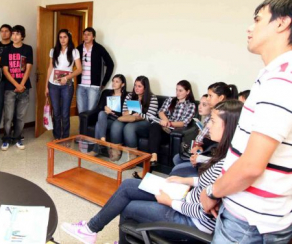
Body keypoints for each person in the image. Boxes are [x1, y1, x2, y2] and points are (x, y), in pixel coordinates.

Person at [62, 100, 243, 244]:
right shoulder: (225, 155)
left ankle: (110, 237)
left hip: (188, 219)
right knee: (128, 185)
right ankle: (90, 230)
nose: (208, 125)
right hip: (184, 198)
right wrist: (184, 181)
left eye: (212, 121)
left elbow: (203, 210)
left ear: (229, 126)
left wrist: (170, 202)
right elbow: (207, 187)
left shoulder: (228, 164)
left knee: (128, 206)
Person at [201, 0, 292, 243]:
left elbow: (252, 166)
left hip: (249, 224)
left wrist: (212, 191)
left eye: (258, 19)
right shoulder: (273, 75)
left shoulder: (282, 81)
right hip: (251, 214)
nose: (249, 27)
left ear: (282, 23)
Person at [171, 82, 238, 177]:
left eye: (210, 96)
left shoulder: (225, 117)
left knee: (177, 169)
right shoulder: (214, 113)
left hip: (212, 162)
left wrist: (200, 158)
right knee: (177, 159)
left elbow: (220, 158)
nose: (207, 98)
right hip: (208, 155)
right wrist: (199, 147)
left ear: (221, 98)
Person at [145, 80, 196, 171]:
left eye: (180, 90)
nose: (177, 93)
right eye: (176, 90)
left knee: (154, 135)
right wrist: (165, 120)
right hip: (162, 128)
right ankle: (154, 156)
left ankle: (147, 170)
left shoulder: (191, 105)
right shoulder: (170, 100)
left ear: (188, 92)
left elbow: (184, 122)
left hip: (172, 131)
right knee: (154, 126)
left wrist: (169, 123)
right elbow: (161, 112)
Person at [0, 25, 33, 151]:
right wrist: (16, 85)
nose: (14, 36)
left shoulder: (28, 49)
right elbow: (5, 70)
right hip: (10, 88)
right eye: (13, 34)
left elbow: (28, 67)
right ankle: (6, 139)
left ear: (22, 36)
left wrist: (21, 85)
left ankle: (17, 137)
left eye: (17, 34)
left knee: (20, 116)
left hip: (24, 87)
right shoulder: (6, 50)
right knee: (8, 116)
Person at [45, 29, 82, 140]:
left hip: (67, 84)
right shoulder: (53, 50)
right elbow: (50, 67)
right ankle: (57, 136)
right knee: (56, 112)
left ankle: (65, 137)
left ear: (69, 38)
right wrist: (46, 85)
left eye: (65, 37)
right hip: (53, 84)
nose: (62, 39)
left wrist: (66, 77)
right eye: (60, 37)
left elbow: (79, 69)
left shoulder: (74, 51)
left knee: (65, 113)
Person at [110, 76, 158, 150]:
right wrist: (132, 112)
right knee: (116, 124)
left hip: (145, 122)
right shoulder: (129, 96)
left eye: (139, 86)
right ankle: (116, 151)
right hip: (130, 119)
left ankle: (132, 155)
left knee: (129, 127)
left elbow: (151, 117)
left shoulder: (152, 98)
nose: (136, 88)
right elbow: (124, 113)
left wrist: (138, 114)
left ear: (145, 88)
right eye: (135, 85)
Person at [170, 94, 211, 177]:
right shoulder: (207, 119)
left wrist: (199, 156)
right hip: (201, 153)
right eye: (200, 103)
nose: (199, 107)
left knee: (176, 170)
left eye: (204, 105)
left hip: (206, 159)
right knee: (177, 158)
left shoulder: (213, 123)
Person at [88, 74, 128, 157]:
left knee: (98, 124)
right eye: (113, 81)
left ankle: (96, 149)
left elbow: (126, 113)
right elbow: (99, 108)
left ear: (122, 84)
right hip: (106, 118)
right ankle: (102, 139)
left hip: (118, 119)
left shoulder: (126, 96)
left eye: (117, 82)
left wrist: (112, 111)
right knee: (102, 113)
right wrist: (105, 108)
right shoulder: (106, 93)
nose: (114, 83)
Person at [76, 27, 114, 114]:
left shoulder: (99, 49)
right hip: (80, 85)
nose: (86, 36)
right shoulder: (78, 49)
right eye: (84, 34)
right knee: (81, 112)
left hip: (94, 86)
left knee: (91, 112)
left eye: (88, 34)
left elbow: (110, 64)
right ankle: (82, 128)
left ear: (93, 37)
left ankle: (88, 128)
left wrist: (104, 83)